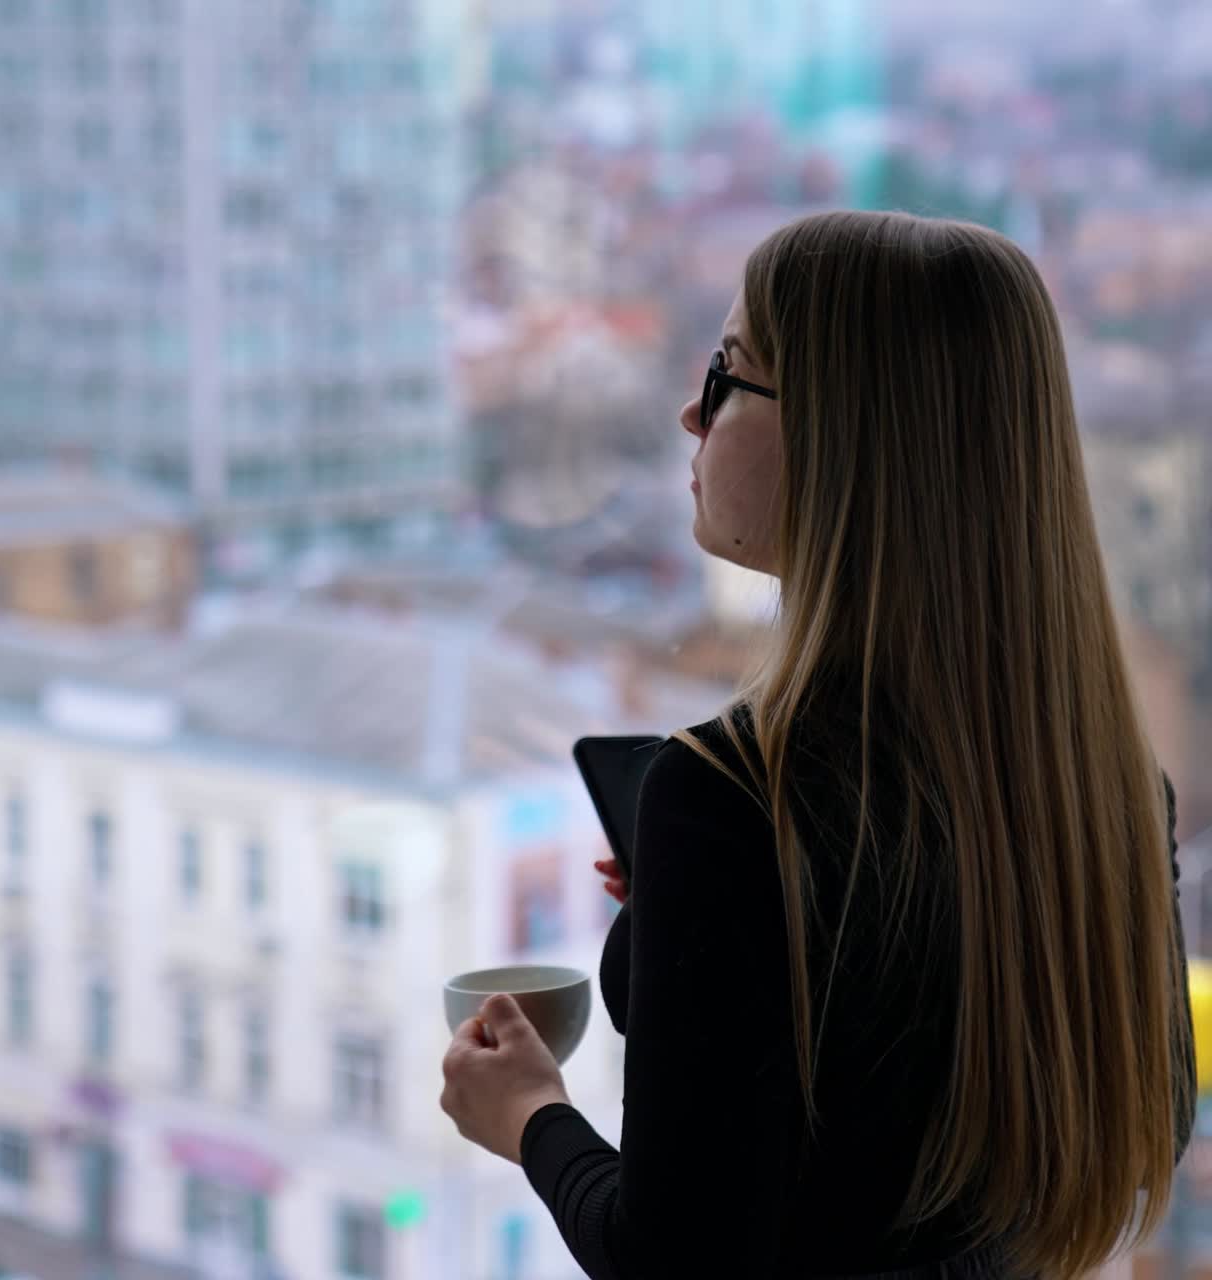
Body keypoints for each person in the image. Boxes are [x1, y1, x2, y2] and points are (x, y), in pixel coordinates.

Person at [439, 210, 1197, 1280]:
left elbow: (674, 1257)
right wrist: (710, 925)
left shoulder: (731, 794)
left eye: (729, 373)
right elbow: (1147, 1119)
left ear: (847, 433)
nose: (689, 410)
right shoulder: (1108, 782)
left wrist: (527, 1114)